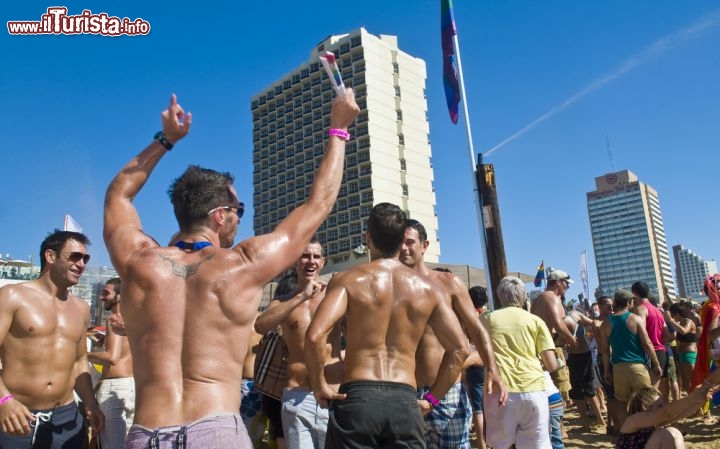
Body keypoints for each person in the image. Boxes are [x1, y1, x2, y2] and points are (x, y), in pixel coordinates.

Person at [103, 92, 359, 449]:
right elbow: (318, 205)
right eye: (238, 207)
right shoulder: (242, 265)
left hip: (149, 433)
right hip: (216, 431)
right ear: (219, 216)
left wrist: (165, 140)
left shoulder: (139, 261)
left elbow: (118, 196)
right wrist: (339, 130)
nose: (241, 215)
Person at [305, 203, 471, 449]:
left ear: (368, 238)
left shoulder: (348, 280)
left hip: (358, 397)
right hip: (404, 400)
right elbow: (460, 348)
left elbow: (315, 336)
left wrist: (319, 385)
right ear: (401, 240)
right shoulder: (427, 289)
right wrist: (431, 399)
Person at [400, 219, 506, 449]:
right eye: (399, 243)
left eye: (409, 242)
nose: (403, 248)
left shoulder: (448, 283)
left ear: (424, 245)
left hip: (445, 391)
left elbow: (478, 331)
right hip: (405, 393)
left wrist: (493, 369)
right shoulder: (389, 286)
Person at [0, 230, 104, 448]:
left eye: (85, 258)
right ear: (50, 256)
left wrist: (91, 404)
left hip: (66, 418)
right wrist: (4, 401)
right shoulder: (13, 296)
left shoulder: (81, 308)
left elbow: (79, 362)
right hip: (16, 416)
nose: (82, 264)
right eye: (74, 256)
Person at [254, 239, 342, 449]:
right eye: (305, 256)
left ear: (323, 262)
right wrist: (300, 297)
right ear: (296, 261)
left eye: (316, 256)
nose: (310, 261)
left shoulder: (336, 297)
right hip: (297, 395)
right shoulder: (282, 302)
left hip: (333, 393)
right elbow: (260, 326)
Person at [480, 276, 558, 449]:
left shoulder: (487, 319)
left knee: (500, 445)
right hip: (534, 389)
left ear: (500, 295)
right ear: (523, 296)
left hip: (500, 391)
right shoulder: (535, 321)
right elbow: (552, 365)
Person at [598, 289, 661, 431]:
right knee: (647, 400)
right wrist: (656, 364)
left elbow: (605, 350)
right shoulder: (635, 318)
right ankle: (647, 431)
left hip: (618, 368)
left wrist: (607, 370)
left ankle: (626, 433)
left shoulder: (606, 323)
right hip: (637, 365)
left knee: (621, 403)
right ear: (628, 302)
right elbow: (647, 344)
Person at [88, 277, 134, 449]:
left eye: (106, 293)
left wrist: (81, 354)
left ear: (120, 296)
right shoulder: (135, 318)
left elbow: (112, 357)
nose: (102, 297)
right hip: (132, 386)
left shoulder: (114, 318)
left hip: (114, 387)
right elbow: (123, 349)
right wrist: (104, 340)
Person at [616, 381, 715, 449]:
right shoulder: (634, 420)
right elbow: (666, 413)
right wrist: (692, 398)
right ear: (645, 405)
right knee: (665, 434)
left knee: (674, 432)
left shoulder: (653, 421)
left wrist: (701, 398)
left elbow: (684, 412)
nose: (663, 407)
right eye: (659, 405)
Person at [530, 269, 577, 402]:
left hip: (543, 350)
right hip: (554, 350)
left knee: (549, 392)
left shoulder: (538, 299)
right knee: (561, 395)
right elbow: (558, 324)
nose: (568, 287)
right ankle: (558, 423)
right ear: (558, 282)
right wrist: (572, 340)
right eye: (566, 283)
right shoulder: (552, 297)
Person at [564, 307, 606, 432]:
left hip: (574, 355)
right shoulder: (577, 315)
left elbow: (594, 323)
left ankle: (587, 425)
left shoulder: (562, 319)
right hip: (585, 353)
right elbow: (594, 323)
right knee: (588, 388)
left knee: (578, 392)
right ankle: (599, 419)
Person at [631, 282, 671, 389]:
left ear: (634, 293)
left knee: (648, 393)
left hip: (648, 353)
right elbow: (667, 335)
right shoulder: (657, 310)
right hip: (661, 352)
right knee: (654, 391)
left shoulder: (640, 309)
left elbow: (640, 332)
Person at [465, 286, 489, 449]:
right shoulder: (487, 316)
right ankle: (488, 439)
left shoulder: (466, 315)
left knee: (478, 407)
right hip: (487, 361)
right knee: (488, 404)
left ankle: (481, 443)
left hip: (472, 361)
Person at [665, 302, 697, 394]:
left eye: (672, 315)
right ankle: (695, 406)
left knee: (693, 382)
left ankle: (701, 406)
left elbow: (683, 331)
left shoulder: (688, 321)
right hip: (682, 355)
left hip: (689, 355)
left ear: (677, 314)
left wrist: (671, 320)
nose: (672, 317)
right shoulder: (679, 322)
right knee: (686, 384)